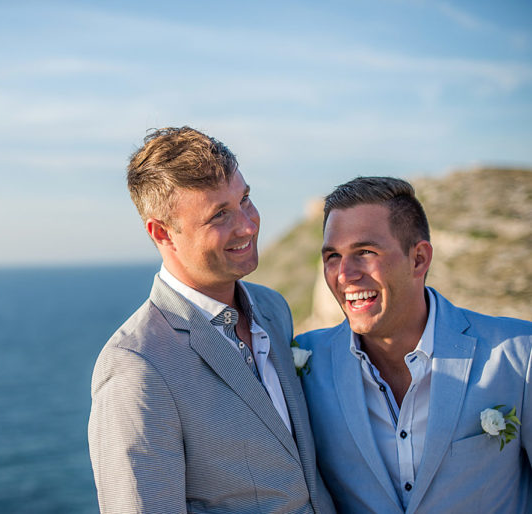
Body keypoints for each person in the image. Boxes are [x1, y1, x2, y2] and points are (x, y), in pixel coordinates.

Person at [88, 127, 335, 513]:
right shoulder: (136, 367)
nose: (248, 225)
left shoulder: (273, 310)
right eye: (219, 214)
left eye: (245, 199)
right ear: (162, 232)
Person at [297, 176, 532, 513]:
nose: (345, 274)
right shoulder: (305, 364)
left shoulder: (518, 355)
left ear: (419, 259)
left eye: (365, 252)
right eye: (333, 256)